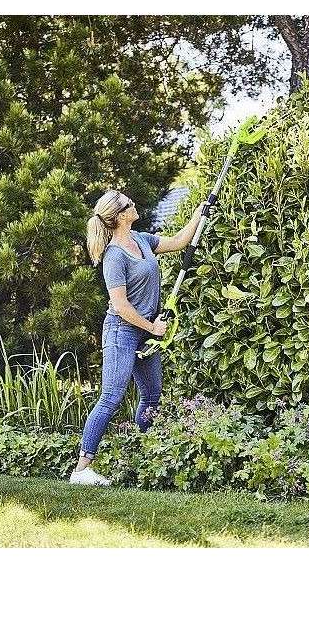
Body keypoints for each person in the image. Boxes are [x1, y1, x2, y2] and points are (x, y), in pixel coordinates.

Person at [70, 190, 204, 486]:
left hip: (145, 330)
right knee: (111, 397)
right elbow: (120, 306)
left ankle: (142, 456)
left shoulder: (142, 239)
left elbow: (179, 241)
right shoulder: (114, 256)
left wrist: (201, 210)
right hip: (122, 330)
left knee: (152, 395)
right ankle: (81, 470)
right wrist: (152, 327)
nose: (134, 205)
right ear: (119, 216)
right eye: (128, 204)